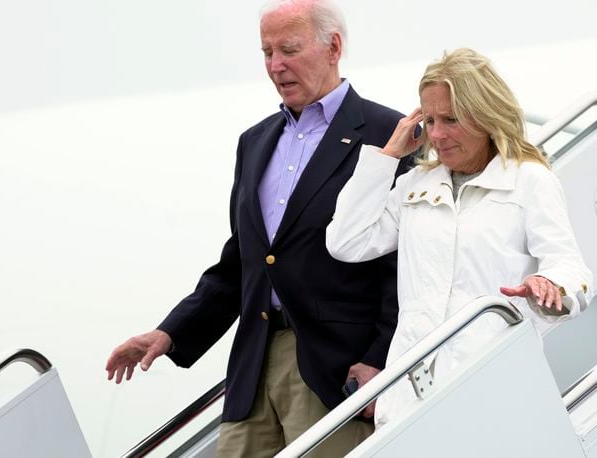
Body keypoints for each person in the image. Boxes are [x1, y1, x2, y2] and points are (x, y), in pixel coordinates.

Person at [105, 0, 409, 455]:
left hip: (335, 369)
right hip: (252, 364)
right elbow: (242, 263)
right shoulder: (254, 141)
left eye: (289, 49)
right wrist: (170, 333)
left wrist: (378, 359)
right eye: (267, 52)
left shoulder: (388, 132)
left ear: (334, 47)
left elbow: (402, 263)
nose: (276, 65)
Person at [326, 48, 593, 428]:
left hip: (488, 389)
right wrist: (386, 157)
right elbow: (345, 241)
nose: (437, 134)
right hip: (408, 397)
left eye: (451, 119)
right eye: (430, 120)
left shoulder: (529, 181)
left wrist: (551, 284)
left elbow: (570, 266)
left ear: (484, 114)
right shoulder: (414, 185)